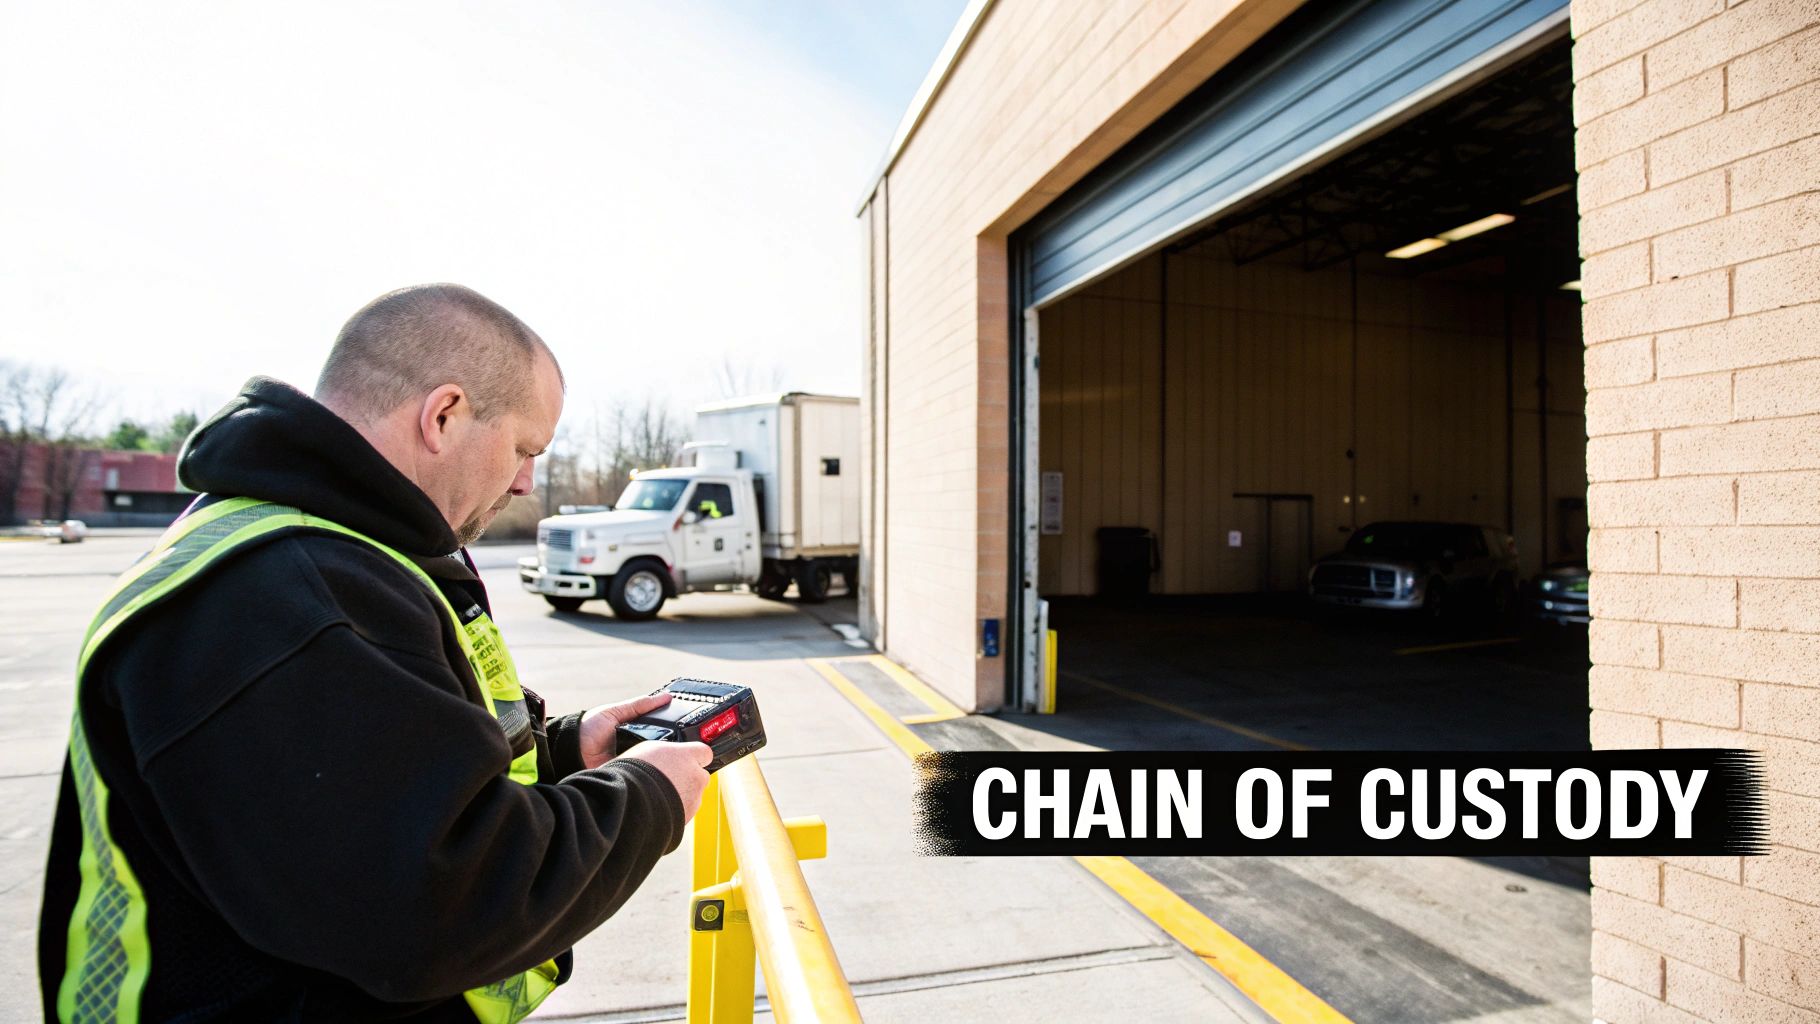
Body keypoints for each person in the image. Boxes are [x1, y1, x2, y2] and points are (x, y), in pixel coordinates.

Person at [38, 284, 712, 1023]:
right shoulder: (294, 595)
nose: (526, 481)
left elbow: (377, 792)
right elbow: (437, 905)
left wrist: (564, 753)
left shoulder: (319, 552)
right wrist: (645, 801)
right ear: (444, 414)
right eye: (525, 448)